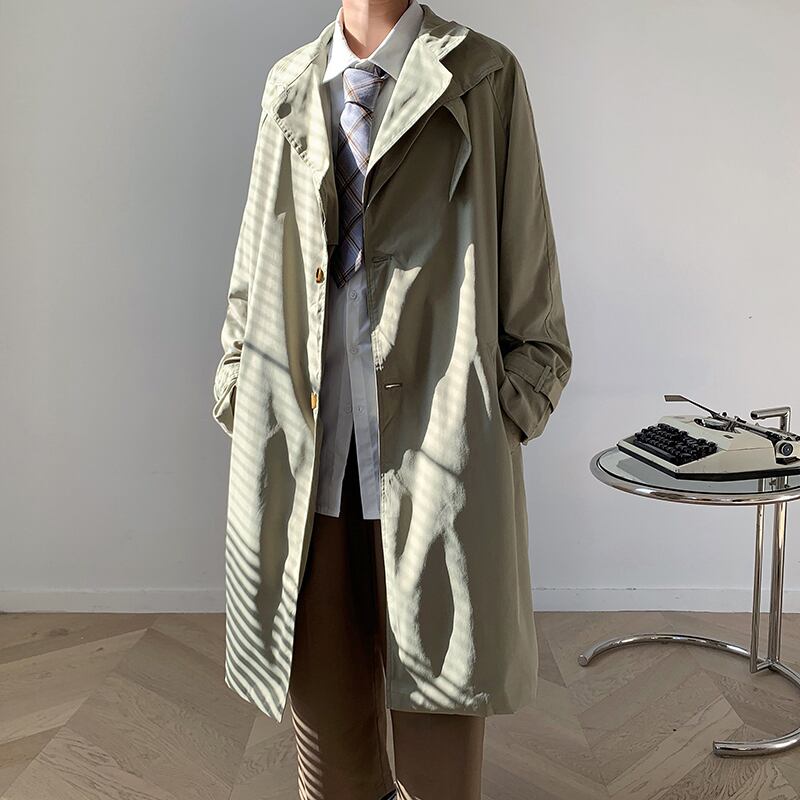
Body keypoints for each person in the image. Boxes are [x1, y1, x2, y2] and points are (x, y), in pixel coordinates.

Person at [212, 1, 572, 798]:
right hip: (308, 451)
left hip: (439, 444)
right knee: (329, 749)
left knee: (442, 733)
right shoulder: (291, 83)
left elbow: (531, 279)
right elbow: (254, 265)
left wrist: (514, 402)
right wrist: (238, 378)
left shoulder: (481, 75)